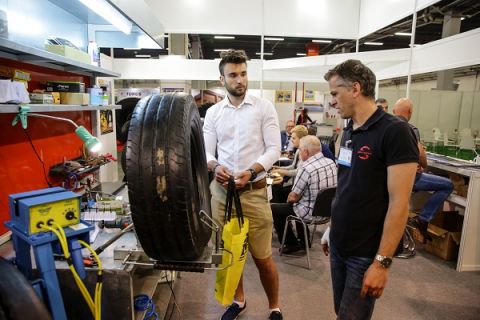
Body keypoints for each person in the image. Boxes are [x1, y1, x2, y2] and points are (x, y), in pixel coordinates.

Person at [324, 59, 419, 319]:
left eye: (335, 93)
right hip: (340, 243)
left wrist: (382, 262)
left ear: (355, 89)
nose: (332, 101)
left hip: (365, 253)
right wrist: (332, 228)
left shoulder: (395, 132)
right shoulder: (349, 131)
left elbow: (400, 204)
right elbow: (347, 186)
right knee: (340, 312)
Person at [203, 49, 283, 320]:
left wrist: (251, 170)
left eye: (243, 74)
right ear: (222, 78)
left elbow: (274, 149)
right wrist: (215, 166)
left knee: (262, 257)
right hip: (222, 194)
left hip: (254, 193)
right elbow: (206, 152)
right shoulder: (213, 113)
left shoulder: (263, 108)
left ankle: (274, 307)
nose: (240, 80)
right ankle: (238, 301)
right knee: (229, 252)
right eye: (233, 75)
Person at [392, 98, 454, 242]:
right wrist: (422, 164)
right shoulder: (411, 129)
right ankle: (424, 218)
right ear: (410, 112)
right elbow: (420, 154)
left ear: (394, 111)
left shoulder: (386, 128)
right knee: (448, 185)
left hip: (390, 179)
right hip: (408, 179)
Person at [271, 135, 337, 254]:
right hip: (327, 212)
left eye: (300, 150)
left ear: (306, 152)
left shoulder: (306, 168)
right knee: (287, 198)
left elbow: (293, 197)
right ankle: (303, 239)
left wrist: (291, 200)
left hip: (308, 213)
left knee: (273, 209)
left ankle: (291, 244)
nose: (299, 152)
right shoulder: (331, 162)